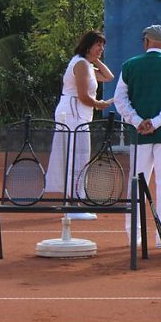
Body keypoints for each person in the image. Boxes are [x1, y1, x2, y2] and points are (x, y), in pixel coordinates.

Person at [113, 24, 161, 246]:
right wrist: (156, 122)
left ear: (146, 41)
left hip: (139, 135)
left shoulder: (130, 66)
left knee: (136, 184)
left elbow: (120, 99)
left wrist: (138, 121)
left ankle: (133, 237)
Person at [46, 29, 115, 220]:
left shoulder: (84, 64)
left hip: (75, 112)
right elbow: (84, 97)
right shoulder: (81, 65)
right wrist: (99, 104)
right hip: (74, 112)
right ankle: (73, 206)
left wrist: (95, 58)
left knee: (76, 157)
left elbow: (109, 76)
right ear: (87, 45)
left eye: (103, 45)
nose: (101, 48)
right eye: (97, 44)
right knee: (76, 157)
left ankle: (73, 203)